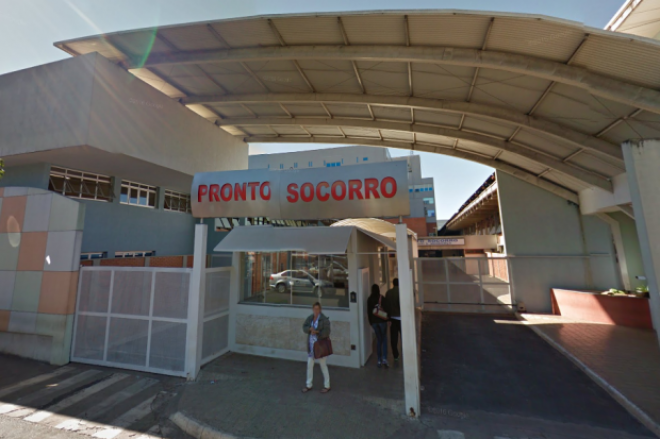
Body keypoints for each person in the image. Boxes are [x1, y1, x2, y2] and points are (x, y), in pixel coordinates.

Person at [302, 302, 331, 393]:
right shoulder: (310, 318)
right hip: (311, 346)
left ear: (320, 309)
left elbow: (327, 331)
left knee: (323, 365)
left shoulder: (324, 319)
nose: (316, 311)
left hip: (320, 346)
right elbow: (304, 327)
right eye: (315, 309)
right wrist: (309, 329)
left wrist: (317, 332)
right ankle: (308, 385)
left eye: (318, 309)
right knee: (309, 365)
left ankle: (327, 385)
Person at [367, 284, 388, 368]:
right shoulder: (382, 297)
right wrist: (388, 318)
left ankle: (379, 360)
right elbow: (387, 308)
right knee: (384, 339)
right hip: (382, 320)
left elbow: (369, 311)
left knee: (379, 340)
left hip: (374, 322)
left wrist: (370, 322)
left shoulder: (369, 299)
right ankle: (384, 359)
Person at [384, 278, 401, 361]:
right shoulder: (401, 292)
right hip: (401, 318)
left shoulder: (388, 293)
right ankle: (406, 353)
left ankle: (395, 355)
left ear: (393, 284)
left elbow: (386, 306)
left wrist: (388, 318)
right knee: (404, 337)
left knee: (393, 338)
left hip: (392, 318)